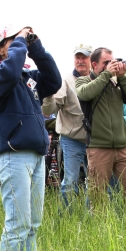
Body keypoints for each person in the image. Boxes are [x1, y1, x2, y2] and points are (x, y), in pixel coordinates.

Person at [0, 24, 61, 251]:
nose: (21, 44)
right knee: (17, 223)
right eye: (14, 41)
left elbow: (53, 79)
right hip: (14, 155)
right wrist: (19, 43)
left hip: (37, 154)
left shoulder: (25, 76)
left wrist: (36, 47)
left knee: (33, 224)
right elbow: (11, 69)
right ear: (1, 47)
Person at [76, 47, 126, 203]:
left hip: (122, 145)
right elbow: (85, 94)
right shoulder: (84, 80)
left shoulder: (116, 83)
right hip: (99, 146)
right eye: (106, 62)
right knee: (97, 194)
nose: (111, 65)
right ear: (94, 64)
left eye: (112, 61)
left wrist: (123, 77)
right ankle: (99, 226)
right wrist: (106, 75)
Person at [42, 44, 92, 208]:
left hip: (95, 139)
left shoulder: (98, 78)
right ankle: (66, 217)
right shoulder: (65, 80)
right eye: (77, 57)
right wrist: (48, 97)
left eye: (84, 57)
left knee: (94, 180)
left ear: (92, 59)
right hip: (72, 139)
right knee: (69, 181)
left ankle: (91, 215)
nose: (80, 60)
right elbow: (51, 108)